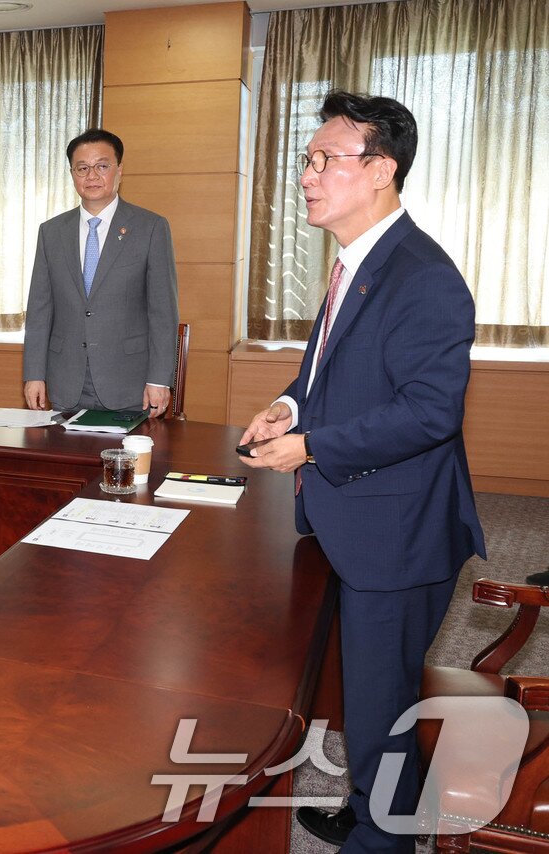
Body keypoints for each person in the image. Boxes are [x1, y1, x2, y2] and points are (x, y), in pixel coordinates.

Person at [239, 91, 484, 852]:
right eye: (306, 161)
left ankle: (382, 839)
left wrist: (311, 447)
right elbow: (327, 371)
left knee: (380, 711)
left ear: (380, 169)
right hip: (357, 517)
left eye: (324, 161)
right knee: (370, 698)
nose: (307, 177)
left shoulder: (423, 275)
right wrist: (288, 406)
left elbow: (430, 413)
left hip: (397, 531)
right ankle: (371, 807)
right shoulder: (359, 261)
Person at [23, 128, 179, 417]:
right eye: (82, 168)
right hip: (65, 381)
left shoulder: (151, 228)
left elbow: (163, 312)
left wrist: (159, 379)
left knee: (129, 462)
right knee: (63, 460)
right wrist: (34, 374)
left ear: (119, 170)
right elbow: (39, 309)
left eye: (102, 166)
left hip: (129, 383)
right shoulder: (52, 232)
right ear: (72, 174)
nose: (91, 176)